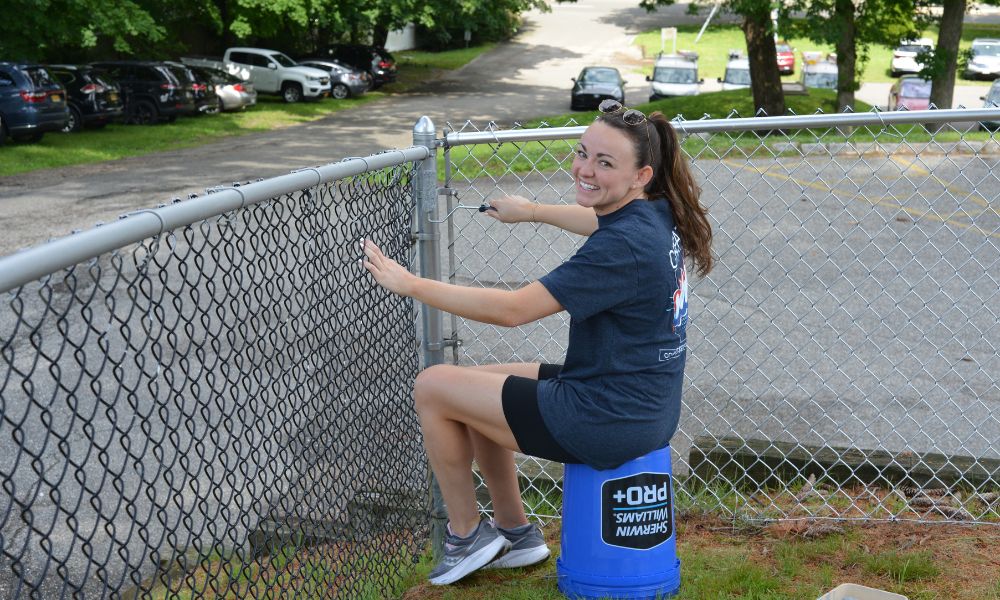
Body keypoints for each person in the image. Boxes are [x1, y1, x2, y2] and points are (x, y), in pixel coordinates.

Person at [360, 99, 713, 586]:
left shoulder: (622, 248)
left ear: (641, 175)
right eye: (583, 152)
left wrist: (411, 284)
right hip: (636, 403)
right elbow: (596, 219)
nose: (585, 169)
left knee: (433, 385)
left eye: (604, 162)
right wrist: (531, 212)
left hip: (605, 418)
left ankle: (466, 535)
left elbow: (512, 311)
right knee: (478, 385)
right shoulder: (653, 215)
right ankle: (516, 532)